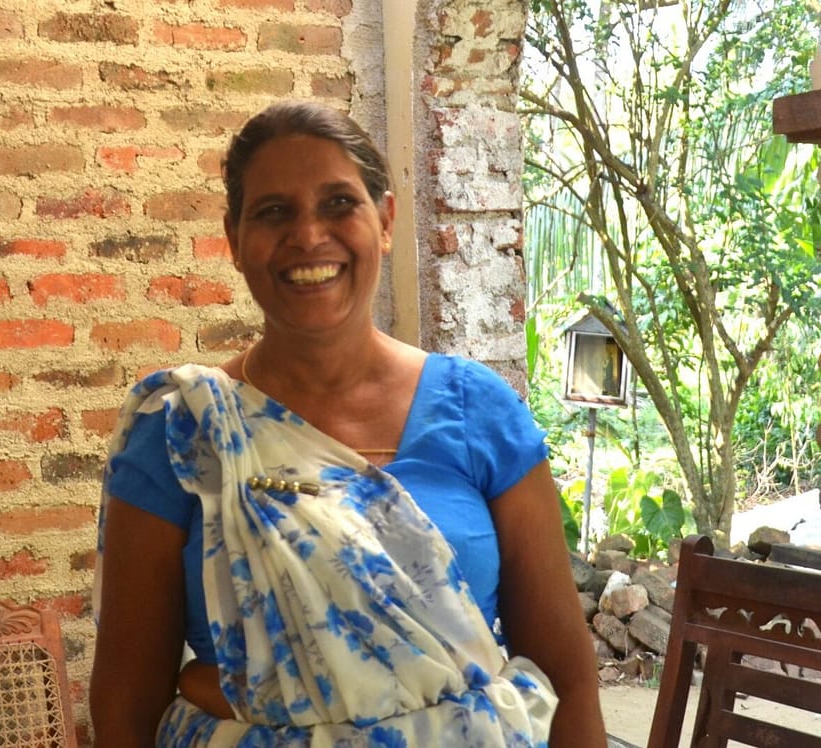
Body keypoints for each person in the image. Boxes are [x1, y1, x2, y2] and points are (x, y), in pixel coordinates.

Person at [89, 100, 606, 747]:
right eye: (273, 211)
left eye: (339, 203)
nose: (308, 236)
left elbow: (566, 675)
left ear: (385, 221)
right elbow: (125, 704)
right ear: (234, 239)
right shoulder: (183, 432)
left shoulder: (480, 412)